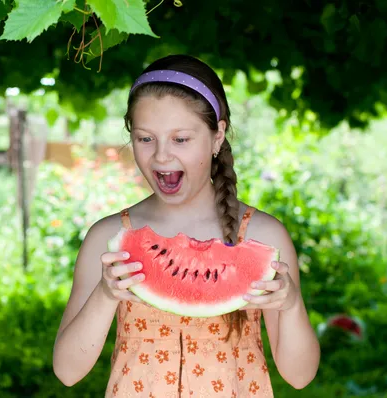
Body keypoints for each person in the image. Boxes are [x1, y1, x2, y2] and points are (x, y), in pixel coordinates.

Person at [53, 54, 320, 397]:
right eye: (145, 139)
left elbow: (300, 376)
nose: (161, 156)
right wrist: (106, 294)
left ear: (217, 136)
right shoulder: (109, 240)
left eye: (180, 139)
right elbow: (67, 371)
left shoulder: (262, 237)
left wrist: (291, 305)